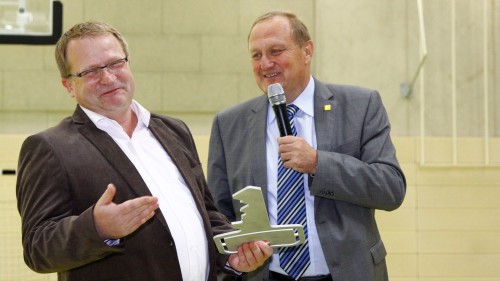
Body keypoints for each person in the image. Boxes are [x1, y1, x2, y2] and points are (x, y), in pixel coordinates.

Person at [16, 21, 272, 281]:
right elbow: (37, 247)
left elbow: (207, 213)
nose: (108, 77)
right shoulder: (50, 148)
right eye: (91, 71)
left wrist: (229, 254)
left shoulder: (174, 131)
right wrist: (97, 228)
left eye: (116, 63)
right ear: (68, 85)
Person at [207, 11, 406, 281]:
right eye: (256, 55)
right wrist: (236, 255)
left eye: (276, 51)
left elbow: (390, 188)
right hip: (265, 275)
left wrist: (318, 164)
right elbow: (218, 213)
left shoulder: (360, 106)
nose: (265, 63)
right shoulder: (229, 124)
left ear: (307, 51)